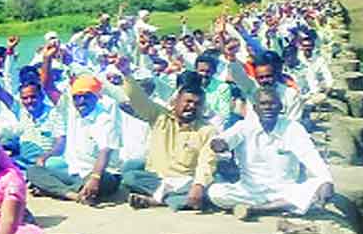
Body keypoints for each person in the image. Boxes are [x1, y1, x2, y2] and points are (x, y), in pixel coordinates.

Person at [208, 88, 334, 220]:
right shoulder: (243, 126)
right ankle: (276, 207)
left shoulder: (293, 128)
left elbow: (310, 156)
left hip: (285, 190)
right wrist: (219, 144)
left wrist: (326, 180)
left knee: (318, 186)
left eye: (272, 104)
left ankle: (256, 210)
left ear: (280, 107)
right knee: (215, 192)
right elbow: (223, 140)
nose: (268, 108)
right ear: (255, 108)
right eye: (263, 104)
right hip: (249, 190)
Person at [120, 67, 217, 211]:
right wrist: (126, 73)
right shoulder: (159, 116)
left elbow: (206, 162)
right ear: (176, 101)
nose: (192, 107)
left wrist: (198, 185)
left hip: (184, 181)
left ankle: (156, 200)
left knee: (208, 189)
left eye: (197, 104)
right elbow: (138, 100)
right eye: (188, 101)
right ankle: (174, 199)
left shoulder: (207, 130)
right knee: (130, 175)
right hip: (157, 179)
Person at [27, 76, 125, 205]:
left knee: (102, 180)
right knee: (33, 171)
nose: (81, 101)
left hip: (102, 174)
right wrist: (47, 59)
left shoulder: (104, 120)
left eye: (86, 96)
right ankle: (73, 194)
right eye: (76, 97)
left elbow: (105, 152)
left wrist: (95, 178)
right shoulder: (72, 114)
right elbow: (48, 87)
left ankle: (57, 190)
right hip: (75, 174)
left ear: (97, 97)